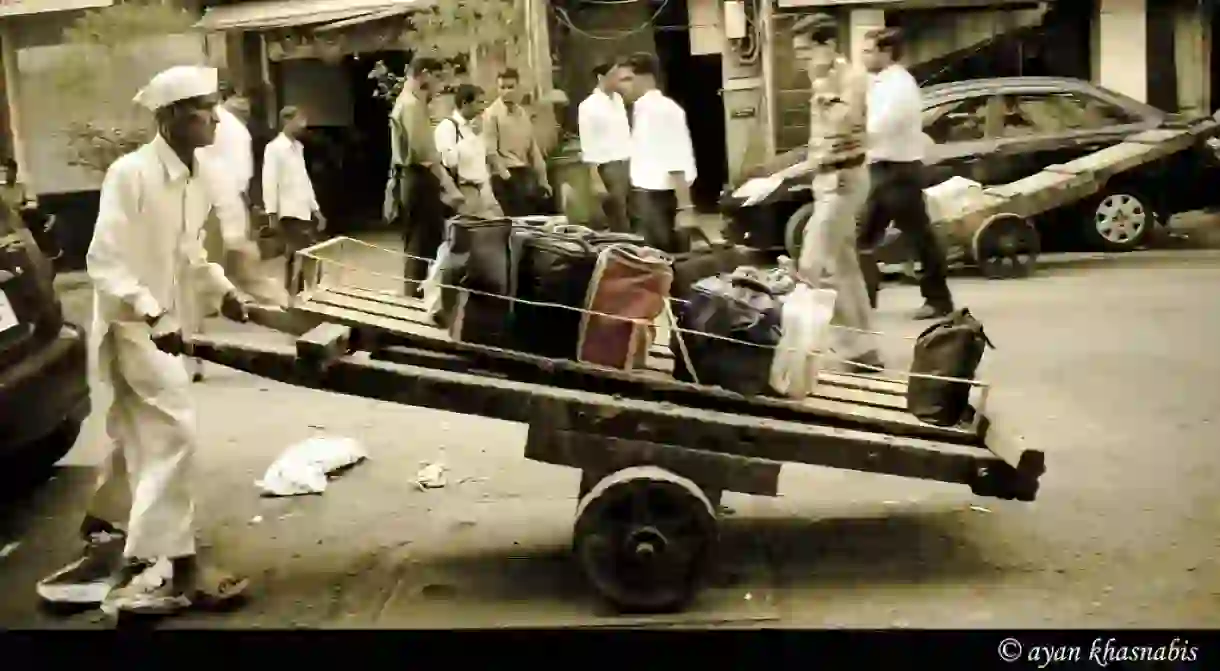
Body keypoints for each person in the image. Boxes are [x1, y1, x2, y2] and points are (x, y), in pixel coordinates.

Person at [35, 65, 252, 616]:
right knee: (174, 428)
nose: (216, 116)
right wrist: (154, 311)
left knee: (138, 432)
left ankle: (106, 528)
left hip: (161, 322)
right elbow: (103, 262)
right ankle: (171, 568)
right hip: (133, 325)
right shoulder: (129, 174)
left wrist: (222, 290)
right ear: (173, 116)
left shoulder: (196, 174)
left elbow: (188, 253)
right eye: (204, 106)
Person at [766, 14, 882, 372]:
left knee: (810, 268)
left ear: (828, 46)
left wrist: (824, 86)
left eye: (805, 52)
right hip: (828, 181)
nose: (801, 61)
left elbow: (844, 126)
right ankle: (863, 352)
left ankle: (793, 355)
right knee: (843, 269)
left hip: (844, 180)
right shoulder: (826, 80)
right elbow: (820, 145)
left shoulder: (851, 80)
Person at [186, 88, 283, 382]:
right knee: (251, 279)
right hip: (230, 211)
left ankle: (193, 355)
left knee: (194, 284)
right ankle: (297, 319)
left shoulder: (207, 130)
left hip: (210, 214)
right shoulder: (237, 131)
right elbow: (242, 178)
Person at [859, 27, 955, 320]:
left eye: (867, 51)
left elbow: (881, 125)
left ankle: (939, 301)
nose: (862, 57)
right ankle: (863, 300)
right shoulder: (879, 83)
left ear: (885, 53)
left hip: (899, 171)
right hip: (881, 168)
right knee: (863, 238)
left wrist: (852, 139)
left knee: (918, 238)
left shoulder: (900, 85)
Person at [388, 56, 465, 294]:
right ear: (423, 74)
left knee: (425, 243)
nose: (439, 84)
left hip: (413, 178)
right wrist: (449, 187)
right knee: (420, 246)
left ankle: (419, 296)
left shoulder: (410, 102)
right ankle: (413, 300)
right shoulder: (411, 105)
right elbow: (426, 155)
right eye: (437, 77)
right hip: (418, 178)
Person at [620, 52, 698, 253]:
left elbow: (676, 159)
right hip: (646, 198)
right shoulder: (642, 109)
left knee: (667, 260)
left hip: (662, 200)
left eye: (628, 79)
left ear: (646, 78)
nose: (622, 87)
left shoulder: (661, 110)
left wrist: (685, 208)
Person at [263, 106, 326, 295]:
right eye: (298, 120)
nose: (302, 125)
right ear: (286, 121)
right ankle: (293, 296)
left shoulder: (298, 148)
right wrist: (271, 213)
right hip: (288, 211)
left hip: (303, 209)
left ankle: (306, 293)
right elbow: (269, 181)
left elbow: (304, 181)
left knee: (309, 253)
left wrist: (316, 210)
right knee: (297, 254)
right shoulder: (274, 149)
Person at [483, 68, 552, 217]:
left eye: (510, 87)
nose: (506, 91)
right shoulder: (491, 114)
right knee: (515, 222)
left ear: (518, 87)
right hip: (504, 176)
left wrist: (543, 179)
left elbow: (533, 149)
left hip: (524, 172)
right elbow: (491, 151)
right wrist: (507, 177)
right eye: (502, 87)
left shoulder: (522, 113)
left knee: (534, 220)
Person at [577, 61, 632, 232]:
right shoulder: (588, 106)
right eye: (614, 75)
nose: (618, 79)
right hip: (609, 167)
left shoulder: (618, 100)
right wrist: (595, 178)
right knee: (618, 217)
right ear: (601, 77)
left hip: (628, 162)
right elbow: (588, 144)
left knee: (635, 214)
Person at [434, 84, 502, 217]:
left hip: (484, 188)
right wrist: (471, 137)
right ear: (465, 103)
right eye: (479, 103)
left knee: (500, 223)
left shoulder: (476, 125)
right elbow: (449, 161)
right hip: (464, 189)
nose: (483, 108)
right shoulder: (448, 127)